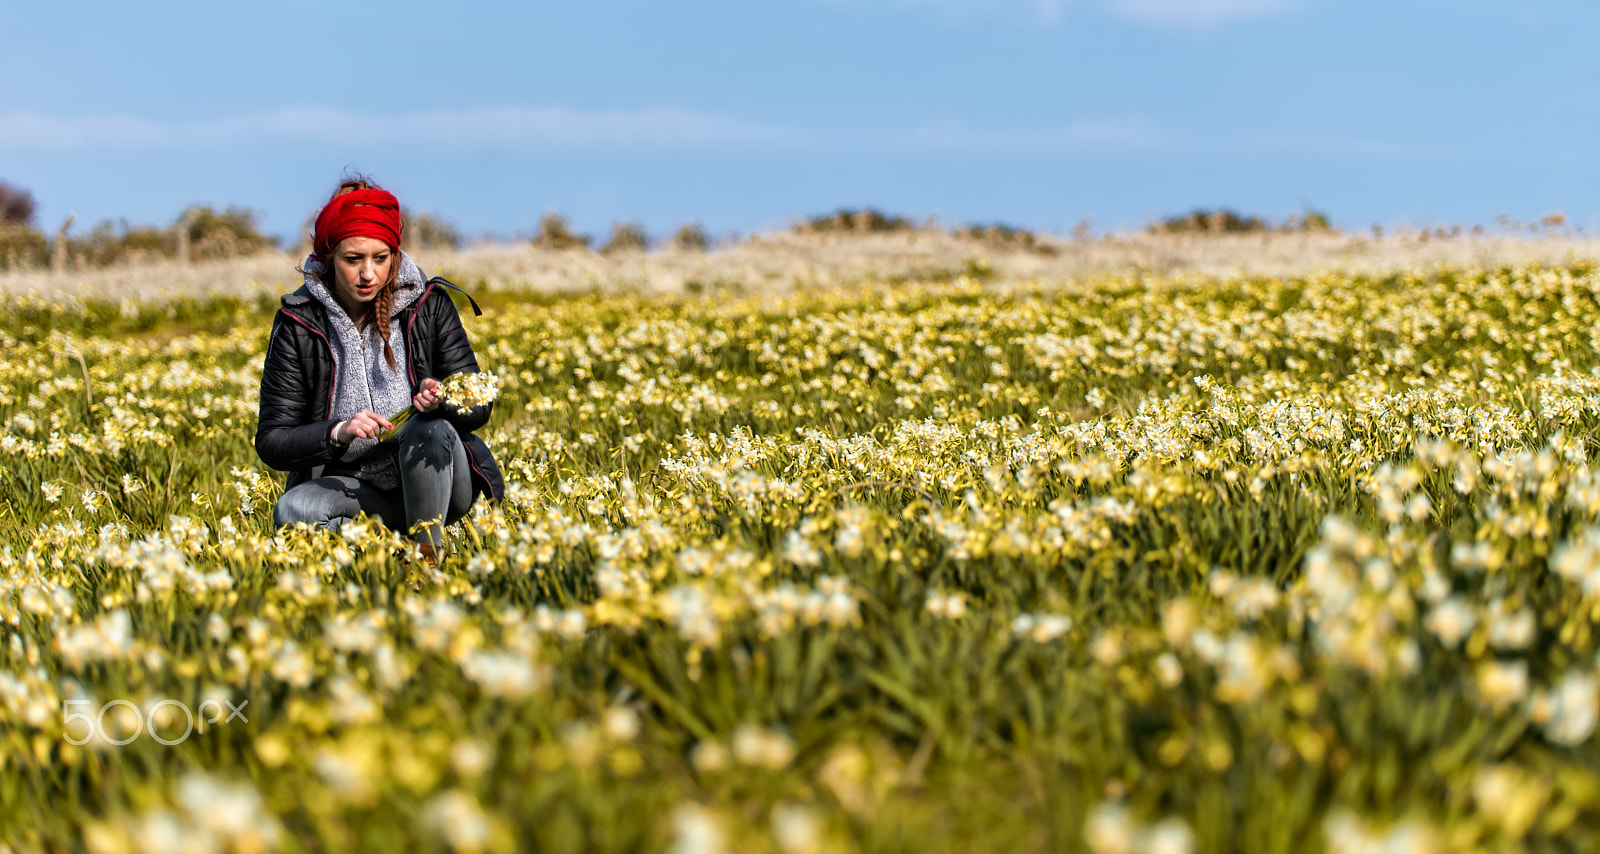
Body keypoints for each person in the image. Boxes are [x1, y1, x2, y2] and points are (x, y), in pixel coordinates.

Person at [255, 178, 503, 564]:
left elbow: (479, 403)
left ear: (394, 254)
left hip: (441, 482)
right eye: (353, 260)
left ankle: (426, 561)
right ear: (328, 257)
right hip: (354, 486)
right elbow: (272, 440)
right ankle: (372, 566)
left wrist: (443, 399)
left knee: (429, 427)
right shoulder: (297, 322)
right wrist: (337, 432)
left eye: (380, 258)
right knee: (294, 510)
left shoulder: (430, 305)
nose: (368, 273)